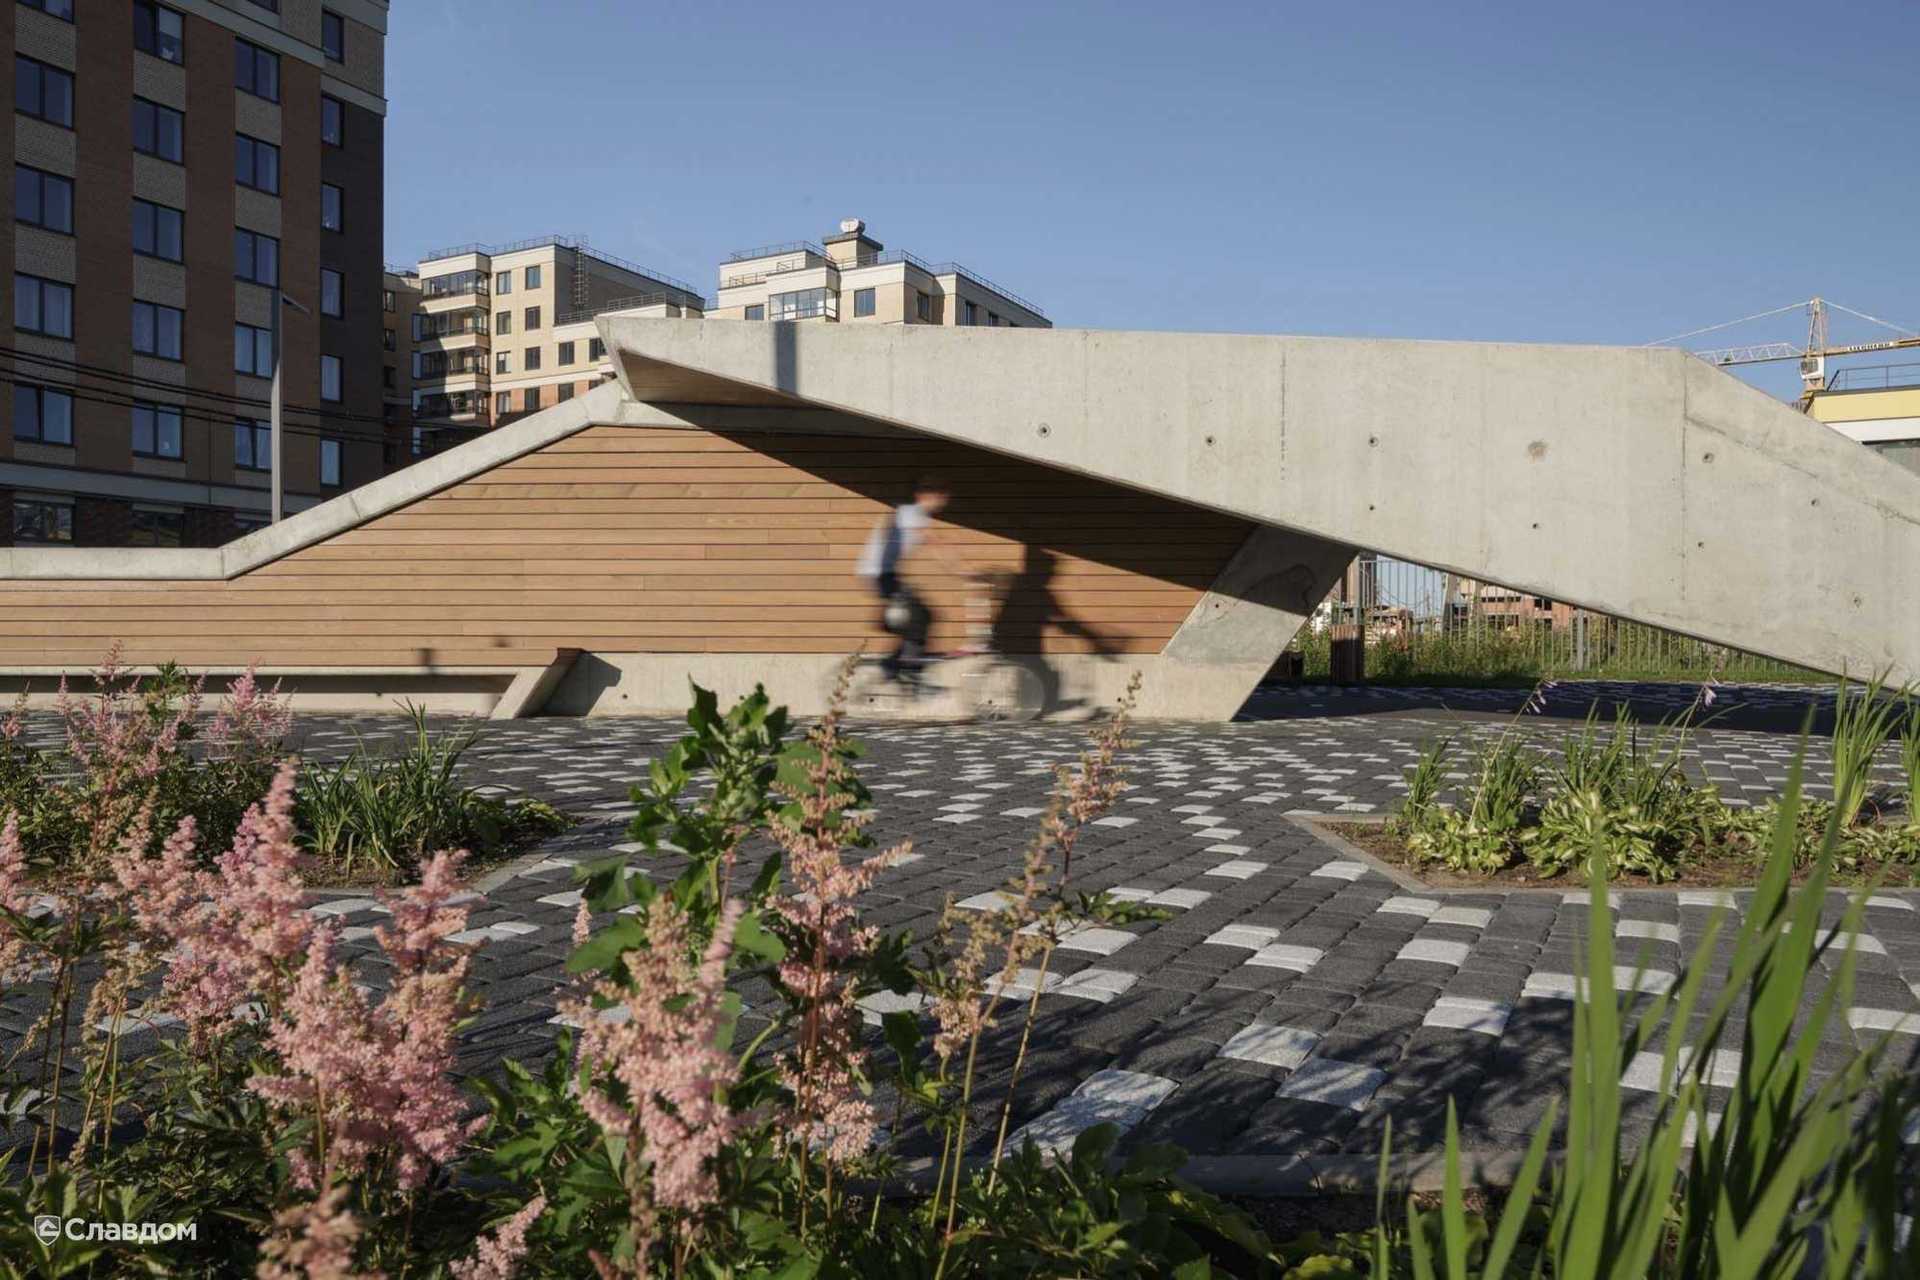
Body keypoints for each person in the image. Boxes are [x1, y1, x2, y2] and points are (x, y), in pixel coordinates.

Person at [855, 475, 970, 683]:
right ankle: (908, 669)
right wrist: (962, 571)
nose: (943, 502)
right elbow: (936, 544)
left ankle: (896, 665)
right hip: (880, 575)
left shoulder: (912, 514)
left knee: (920, 617)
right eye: (940, 497)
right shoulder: (911, 513)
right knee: (920, 617)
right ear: (925, 496)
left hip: (886, 575)